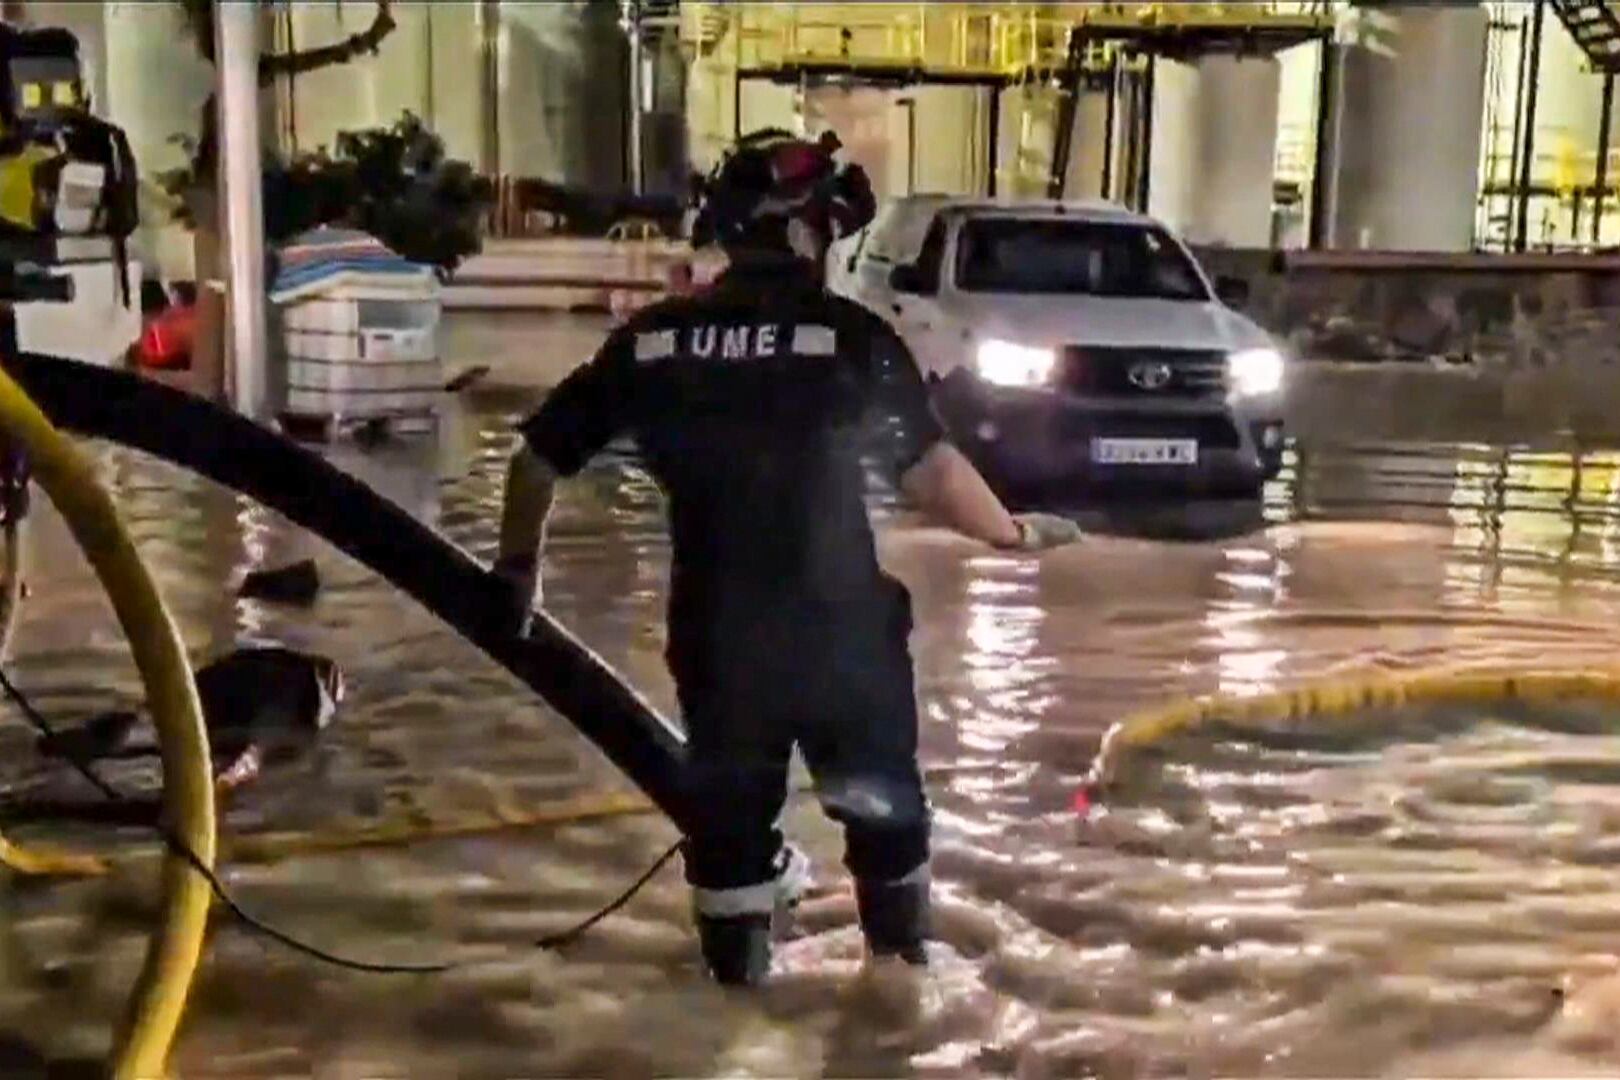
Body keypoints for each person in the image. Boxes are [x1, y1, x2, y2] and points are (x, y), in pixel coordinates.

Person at [492, 128, 1082, 986]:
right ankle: (896, 1000)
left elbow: (535, 460)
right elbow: (932, 475)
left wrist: (519, 577)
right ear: (814, 232)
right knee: (883, 820)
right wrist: (1017, 535)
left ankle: (734, 1007)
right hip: (840, 640)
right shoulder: (846, 336)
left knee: (728, 836)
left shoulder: (653, 343)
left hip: (719, 645)